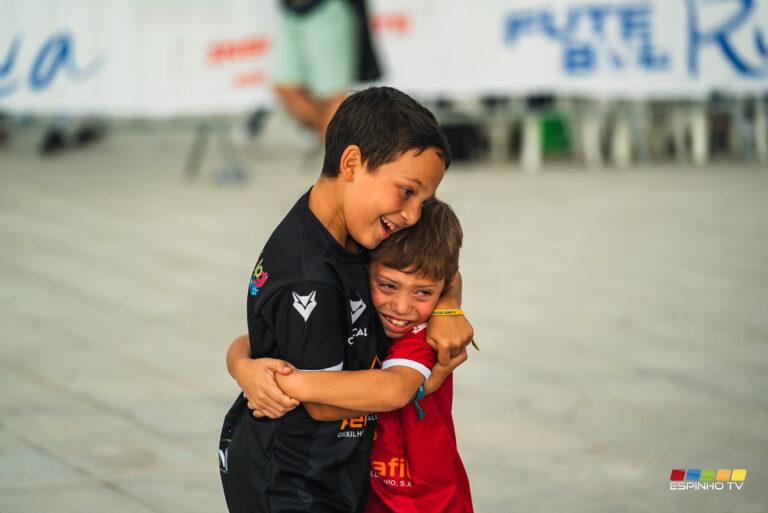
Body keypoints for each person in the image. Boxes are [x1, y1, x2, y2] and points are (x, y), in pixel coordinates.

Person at [219, 86, 473, 513]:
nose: (413, 215)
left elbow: (439, 270)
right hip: (292, 484)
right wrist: (256, 375)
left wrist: (448, 307)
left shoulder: (358, 231)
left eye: (423, 200)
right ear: (352, 162)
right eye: (408, 192)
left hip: (336, 473)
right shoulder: (309, 280)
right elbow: (322, 403)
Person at [234, 198, 474, 513]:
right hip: (365, 491)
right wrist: (242, 367)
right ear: (365, 271)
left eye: (423, 293)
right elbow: (251, 341)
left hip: (426, 500)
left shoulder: (423, 335)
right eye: (387, 286)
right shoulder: (360, 314)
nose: (402, 308)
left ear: (443, 286)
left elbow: (395, 388)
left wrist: (284, 383)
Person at [271, 0, 381, 139]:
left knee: (332, 97)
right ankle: (335, 148)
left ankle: (336, 151)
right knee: (285, 87)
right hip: (291, 12)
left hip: (328, 8)